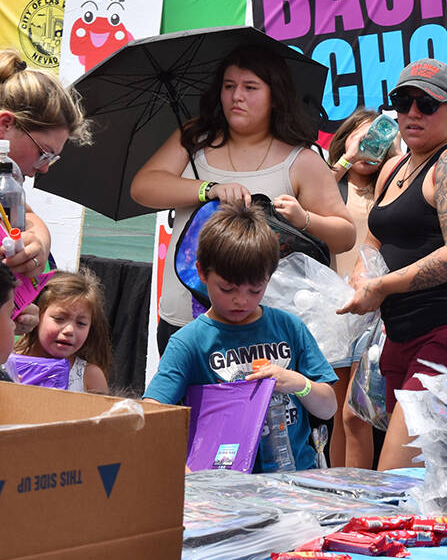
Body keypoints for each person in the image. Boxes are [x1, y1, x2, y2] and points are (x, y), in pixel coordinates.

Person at [131, 46, 355, 354]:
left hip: (265, 330)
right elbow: (143, 187)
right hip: (185, 319)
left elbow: (345, 236)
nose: (237, 96)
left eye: (250, 87)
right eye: (228, 86)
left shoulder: (302, 160)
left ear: (275, 96)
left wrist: (302, 218)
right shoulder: (194, 138)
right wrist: (207, 189)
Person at [337, 59, 447, 470]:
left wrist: (383, 287)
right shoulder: (393, 166)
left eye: (427, 104)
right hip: (399, 334)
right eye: (402, 100)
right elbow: (375, 239)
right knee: (394, 467)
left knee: (397, 477)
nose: (412, 112)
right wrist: (363, 275)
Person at [144, 205, 338, 472]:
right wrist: (181, 464)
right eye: (227, 288)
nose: (241, 300)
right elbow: (151, 412)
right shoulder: (189, 341)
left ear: (269, 278)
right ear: (202, 272)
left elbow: (327, 407)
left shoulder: (289, 327)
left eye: (255, 289)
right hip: (221, 485)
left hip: (294, 477)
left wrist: (298, 384)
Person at [0, 50, 92, 333]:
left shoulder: (8, 186)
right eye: (44, 154)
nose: (44, 169)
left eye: (52, 159)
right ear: (5, 124)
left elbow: (28, 217)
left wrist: (39, 243)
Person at [327, 109, 397, 468]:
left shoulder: (393, 184)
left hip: (378, 309)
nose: (372, 146)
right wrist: (346, 158)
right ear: (345, 137)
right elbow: (312, 193)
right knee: (337, 412)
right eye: (363, 137)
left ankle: (358, 491)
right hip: (334, 308)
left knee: (358, 412)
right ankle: (337, 489)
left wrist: (396, 152)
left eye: (379, 139)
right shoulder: (331, 183)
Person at [13, 269, 112, 393]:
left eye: (81, 323)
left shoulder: (90, 376)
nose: (69, 330)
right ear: (38, 314)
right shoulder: (7, 362)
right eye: (59, 319)